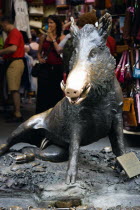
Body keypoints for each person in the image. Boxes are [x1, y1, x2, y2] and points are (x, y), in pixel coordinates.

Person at [36, 15, 65, 114]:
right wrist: (40, 58)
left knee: (55, 93)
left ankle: (54, 116)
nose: (49, 25)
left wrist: (52, 38)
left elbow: (58, 50)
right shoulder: (43, 37)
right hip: (45, 68)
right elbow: (39, 52)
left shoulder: (62, 37)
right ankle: (42, 115)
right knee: (43, 93)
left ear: (56, 24)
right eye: (48, 23)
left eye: (51, 22)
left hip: (56, 68)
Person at [0, 16, 25, 122]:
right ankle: (15, 111)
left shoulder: (14, 33)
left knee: (14, 89)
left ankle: (17, 113)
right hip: (14, 62)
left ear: (5, 23)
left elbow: (13, 48)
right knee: (13, 89)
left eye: (2, 26)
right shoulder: (14, 33)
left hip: (15, 63)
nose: (2, 28)